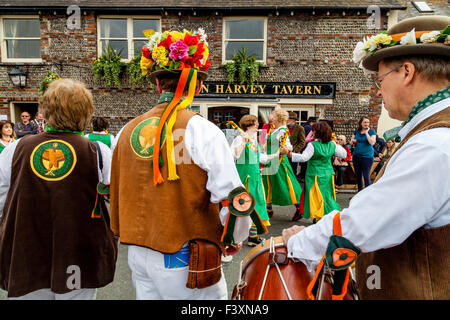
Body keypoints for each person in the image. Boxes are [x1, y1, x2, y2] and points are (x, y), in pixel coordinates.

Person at [282, 15, 450, 300]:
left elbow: (362, 224)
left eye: (380, 79)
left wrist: (299, 242)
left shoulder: (434, 144)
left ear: (407, 72)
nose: (378, 90)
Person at [109, 29, 252, 300]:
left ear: (158, 85)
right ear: (197, 87)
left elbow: (112, 187)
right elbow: (235, 199)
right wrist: (234, 238)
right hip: (186, 257)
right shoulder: (203, 130)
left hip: (138, 252)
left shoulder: (126, 130)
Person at [0, 79, 118, 299]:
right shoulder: (98, 151)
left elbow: (1, 199)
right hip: (79, 252)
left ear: (45, 110)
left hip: (27, 252)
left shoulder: (16, 149)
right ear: (85, 112)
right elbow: (116, 199)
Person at [281, 121, 347, 222]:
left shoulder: (313, 145)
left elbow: (304, 158)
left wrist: (289, 154)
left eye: (314, 131)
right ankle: (326, 216)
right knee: (326, 195)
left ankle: (318, 216)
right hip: (328, 174)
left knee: (314, 196)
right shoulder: (332, 144)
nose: (312, 132)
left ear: (318, 133)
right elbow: (344, 154)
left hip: (314, 175)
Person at [230, 115, 278, 246]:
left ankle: (252, 237)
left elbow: (259, 157)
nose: (258, 125)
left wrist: (276, 154)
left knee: (257, 206)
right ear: (249, 124)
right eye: (256, 123)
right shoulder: (240, 138)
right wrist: (243, 143)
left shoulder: (254, 140)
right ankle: (234, 237)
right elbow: (234, 155)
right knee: (242, 207)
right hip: (245, 179)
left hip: (256, 178)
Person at [262, 108, 303, 221]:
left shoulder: (283, 130)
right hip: (271, 160)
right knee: (268, 183)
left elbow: (288, 146)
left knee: (286, 184)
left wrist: (280, 151)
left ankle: (300, 208)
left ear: (278, 118)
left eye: (273, 115)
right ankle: (268, 209)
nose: (271, 117)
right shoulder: (275, 129)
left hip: (279, 162)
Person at [350, 116, 376, 191]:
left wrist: (366, 133)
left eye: (368, 122)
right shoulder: (357, 131)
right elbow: (352, 141)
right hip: (356, 156)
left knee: (366, 176)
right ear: (361, 123)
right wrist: (352, 142)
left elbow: (372, 142)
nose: (366, 124)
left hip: (367, 157)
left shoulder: (372, 131)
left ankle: (368, 195)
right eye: (365, 122)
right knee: (358, 176)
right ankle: (359, 193)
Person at [287, 112, 306, 178]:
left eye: (288, 118)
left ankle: (293, 187)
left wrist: (294, 151)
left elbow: (302, 142)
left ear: (293, 120)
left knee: (293, 172)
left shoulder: (300, 128)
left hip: (293, 154)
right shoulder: (284, 128)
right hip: (284, 154)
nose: (286, 120)